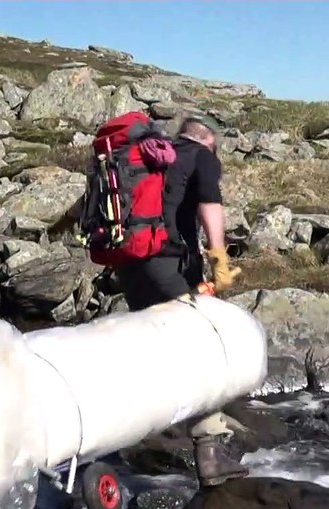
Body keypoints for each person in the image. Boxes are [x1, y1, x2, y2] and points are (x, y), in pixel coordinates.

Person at [113, 114, 250, 488]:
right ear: (208, 141)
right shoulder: (200, 155)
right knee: (200, 346)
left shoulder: (145, 155)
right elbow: (210, 203)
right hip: (168, 264)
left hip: (129, 265)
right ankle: (209, 455)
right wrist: (219, 258)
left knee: (153, 339)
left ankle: (137, 432)